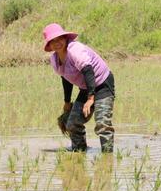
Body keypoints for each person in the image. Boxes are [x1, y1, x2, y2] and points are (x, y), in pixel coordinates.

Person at [43, 23, 115, 153]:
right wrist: (67, 102)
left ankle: (107, 156)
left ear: (65, 38)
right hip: (86, 87)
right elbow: (65, 78)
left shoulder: (75, 50)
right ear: (49, 45)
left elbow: (88, 71)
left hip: (102, 83)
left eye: (59, 38)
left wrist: (91, 98)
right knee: (72, 123)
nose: (57, 43)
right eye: (52, 41)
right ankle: (80, 150)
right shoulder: (55, 59)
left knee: (102, 123)